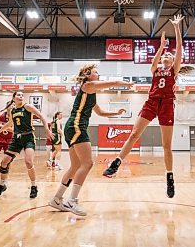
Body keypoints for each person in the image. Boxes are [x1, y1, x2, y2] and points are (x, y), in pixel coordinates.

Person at [102, 15, 193, 199]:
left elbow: (180, 49)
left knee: (166, 145)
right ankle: (117, 163)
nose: (167, 56)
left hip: (167, 104)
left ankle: (169, 177)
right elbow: (154, 62)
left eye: (169, 55)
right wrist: (161, 46)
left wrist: (176, 28)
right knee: (134, 134)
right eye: (165, 55)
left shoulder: (173, 70)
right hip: (151, 102)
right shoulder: (155, 69)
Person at [48, 64, 133, 216]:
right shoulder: (88, 85)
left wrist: (116, 113)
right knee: (87, 163)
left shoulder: (90, 93)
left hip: (73, 127)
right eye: (95, 72)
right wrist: (125, 83)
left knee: (75, 167)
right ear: (88, 75)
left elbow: (100, 113)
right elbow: (112, 83)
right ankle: (72, 200)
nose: (98, 74)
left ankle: (57, 198)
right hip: (76, 126)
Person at [0, 91, 52, 199]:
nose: (21, 96)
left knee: (28, 162)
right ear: (14, 98)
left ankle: (34, 186)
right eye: (18, 95)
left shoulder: (28, 106)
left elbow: (41, 116)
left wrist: (47, 129)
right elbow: (9, 123)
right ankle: (2, 185)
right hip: (16, 138)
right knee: (4, 162)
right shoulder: (12, 110)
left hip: (28, 137)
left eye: (22, 95)